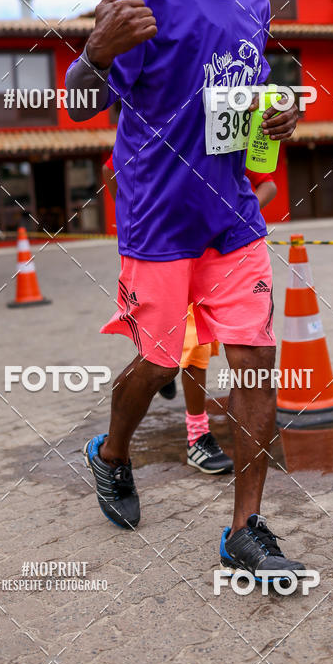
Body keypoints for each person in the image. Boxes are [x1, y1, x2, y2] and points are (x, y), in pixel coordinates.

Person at [67, 0, 304, 581]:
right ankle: (111, 454)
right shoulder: (148, 1)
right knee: (162, 360)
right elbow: (79, 102)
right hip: (159, 223)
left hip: (233, 217)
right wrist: (94, 54)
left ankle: (245, 529)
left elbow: (245, 90)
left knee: (257, 362)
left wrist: (276, 116)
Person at [103, 151, 232, 474]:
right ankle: (196, 436)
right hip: (163, 252)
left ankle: (190, 422)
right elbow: (110, 170)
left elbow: (265, 182)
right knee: (181, 351)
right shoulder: (158, 130)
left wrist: (235, 216)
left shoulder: (222, 127)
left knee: (196, 349)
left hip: (211, 252)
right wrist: (137, 219)